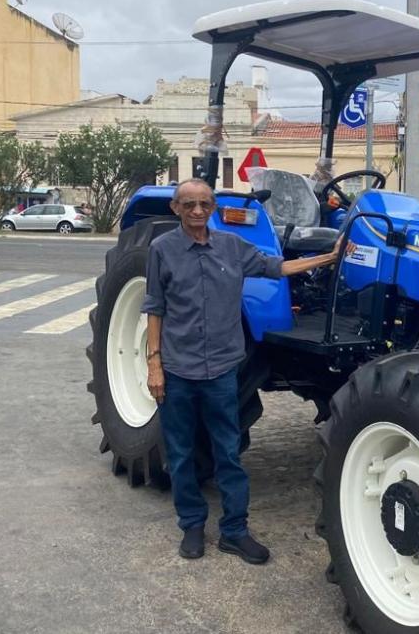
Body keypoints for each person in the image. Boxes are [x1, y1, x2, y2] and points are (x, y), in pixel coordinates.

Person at [142, 178, 343, 563]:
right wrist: (155, 365)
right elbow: (155, 306)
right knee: (182, 454)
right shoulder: (161, 250)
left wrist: (327, 259)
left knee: (228, 453)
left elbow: (277, 267)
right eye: (189, 205)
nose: (197, 211)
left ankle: (234, 530)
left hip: (221, 370)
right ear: (175, 209)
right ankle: (193, 526)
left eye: (204, 204)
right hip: (178, 370)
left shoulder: (232, 246)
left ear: (213, 206)